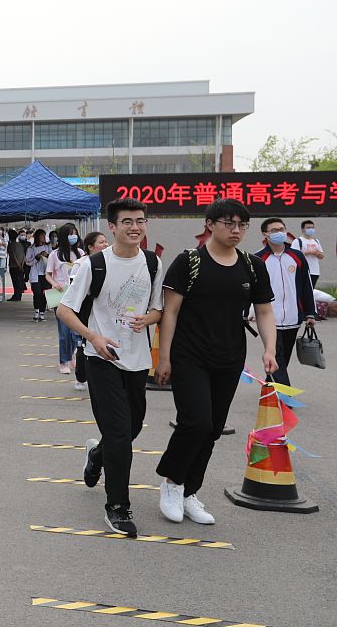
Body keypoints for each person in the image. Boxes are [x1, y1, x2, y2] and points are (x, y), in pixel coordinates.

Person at [155, 198, 277, 526]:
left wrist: (270, 349)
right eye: (228, 223)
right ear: (210, 224)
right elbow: (171, 312)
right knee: (196, 422)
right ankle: (171, 482)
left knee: (213, 430)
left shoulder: (253, 266)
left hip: (229, 357)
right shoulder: (189, 262)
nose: (236, 230)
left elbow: (264, 311)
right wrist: (164, 358)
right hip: (189, 355)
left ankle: (189, 491)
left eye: (242, 225)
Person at [57, 199, 164, 537]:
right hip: (101, 359)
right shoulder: (94, 264)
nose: (135, 227)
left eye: (141, 221)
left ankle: (97, 454)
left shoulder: (152, 262)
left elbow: (158, 308)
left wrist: (150, 317)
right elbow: (65, 310)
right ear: (113, 227)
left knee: (131, 429)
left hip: (138, 359)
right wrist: (93, 336)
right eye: (128, 221)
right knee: (120, 433)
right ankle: (117, 507)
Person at [254, 217, 316, 386]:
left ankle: (271, 384)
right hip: (269, 319)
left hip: (292, 317)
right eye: (274, 230)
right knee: (277, 354)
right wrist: (245, 313)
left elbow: (306, 286)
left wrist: (310, 313)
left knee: (283, 357)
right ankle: (283, 396)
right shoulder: (258, 259)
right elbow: (250, 289)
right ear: (265, 234)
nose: (279, 233)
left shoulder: (297, 256)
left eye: (282, 229)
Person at [47, 223, 86, 374]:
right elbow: (48, 274)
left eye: (75, 233)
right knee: (64, 333)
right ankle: (64, 361)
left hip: (77, 295)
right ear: (64, 236)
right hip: (60, 296)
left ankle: (72, 356)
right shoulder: (54, 255)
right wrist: (54, 283)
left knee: (75, 332)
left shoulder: (80, 253)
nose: (73, 236)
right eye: (70, 234)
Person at [71, 231, 108, 390]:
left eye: (106, 241)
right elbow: (74, 290)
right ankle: (81, 376)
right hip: (86, 309)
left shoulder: (110, 261)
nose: (106, 245)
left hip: (104, 308)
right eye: (101, 242)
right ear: (90, 247)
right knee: (85, 343)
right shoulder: (81, 263)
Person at [26, 229, 51, 321]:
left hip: (45, 274)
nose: (44, 238)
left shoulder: (48, 247)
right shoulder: (31, 248)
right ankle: (36, 311)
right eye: (42, 236)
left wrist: (47, 255)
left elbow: (52, 258)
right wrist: (38, 256)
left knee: (45, 293)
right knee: (37, 293)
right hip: (36, 274)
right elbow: (28, 262)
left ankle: (42, 312)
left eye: (45, 236)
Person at [291, 220, 323, 289]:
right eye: (308, 228)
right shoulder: (298, 241)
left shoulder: (316, 241)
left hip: (315, 271)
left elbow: (321, 256)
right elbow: (293, 255)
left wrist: (318, 254)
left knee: (311, 290)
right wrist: (308, 252)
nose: (311, 229)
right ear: (303, 229)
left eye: (312, 227)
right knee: (302, 290)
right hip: (302, 271)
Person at [7, 229, 27, 301]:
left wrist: (18, 265)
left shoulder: (10, 245)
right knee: (20, 281)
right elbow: (24, 255)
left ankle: (16, 295)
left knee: (15, 281)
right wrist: (21, 265)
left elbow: (13, 256)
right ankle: (18, 295)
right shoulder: (20, 244)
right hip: (21, 265)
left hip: (14, 266)